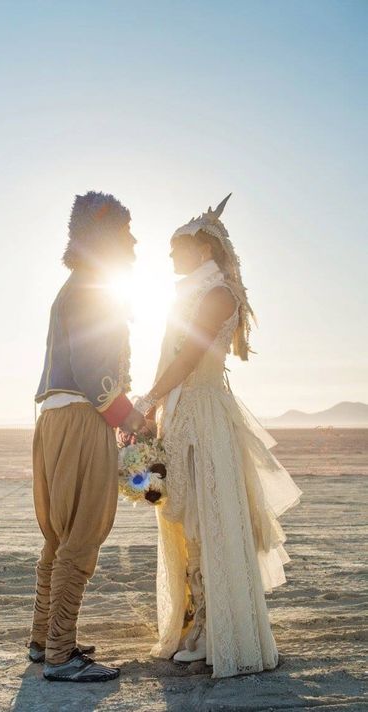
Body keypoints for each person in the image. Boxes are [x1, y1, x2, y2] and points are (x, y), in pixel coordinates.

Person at [135, 194, 302, 679]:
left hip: (204, 416)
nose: (169, 258)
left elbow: (187, 359)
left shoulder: (217, 295)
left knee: (210, 523)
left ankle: (214, 630)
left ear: (204, 251)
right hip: (185, 413)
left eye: (176, 249)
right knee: (188, 523)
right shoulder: (194, 292)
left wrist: (147, 401)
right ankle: (197, 625)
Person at [29, 191, 145, 683]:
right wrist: (131, 419)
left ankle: (42, 639)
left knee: (58, 535)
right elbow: (96, 372)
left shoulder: (71, 286)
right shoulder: (94, 288)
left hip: (53, 419)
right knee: (83, 533)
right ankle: (60, 653)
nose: (134, 240)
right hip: (82, 417)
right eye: (125, 232)